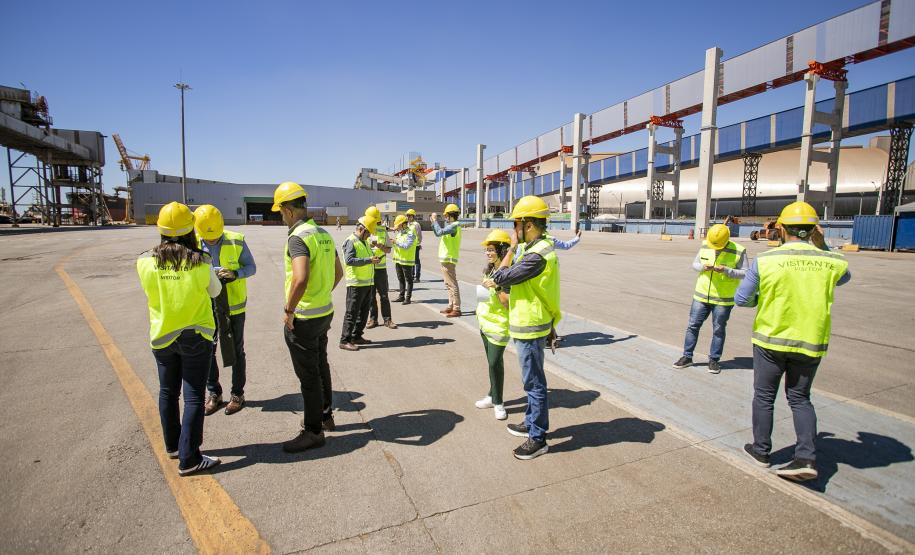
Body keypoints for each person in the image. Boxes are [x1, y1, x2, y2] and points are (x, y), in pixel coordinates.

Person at [736, 201, 850, 482]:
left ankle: (761, 451)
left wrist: (763, 299)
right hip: (811, 341)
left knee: (764, 396)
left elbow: (742, 299)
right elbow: (845, 277)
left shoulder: (766, 261)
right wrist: (822, 246)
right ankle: (806, 457)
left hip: (771, 338)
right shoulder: (831, 261)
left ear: (781, 229)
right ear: (814, 230)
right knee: (800, 398)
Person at [137, 201, 222, 476]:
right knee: (194, 396)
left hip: (162, 336)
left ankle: (173, 446)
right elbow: (215, 291)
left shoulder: (144, 261)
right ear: (190, 231)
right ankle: (190, 458)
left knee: (167, 392)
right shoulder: (200, 262)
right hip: (196, 335)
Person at [274, 181, 345, 453]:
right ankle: (326, 416)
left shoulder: (298, 237)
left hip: (303, 318)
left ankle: (313, 431)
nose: (281, 217)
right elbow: (338, 274)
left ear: (289, 210)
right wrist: (321, 293)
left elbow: (300, 277)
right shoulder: (324, 234)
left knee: (309, 377)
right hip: (324, 312)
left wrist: (289, 311)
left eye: (281, 212)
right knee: (321, 364)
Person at [488, 196, 560, 460]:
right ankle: (531, 423)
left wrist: (509, 249)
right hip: (531, 322)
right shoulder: (537, 248)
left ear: (528, 224)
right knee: (532, 380)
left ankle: (538, 438)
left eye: (516, 224)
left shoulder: (536, 256)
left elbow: (500, 277)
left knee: (534, 383)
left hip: (531, 325)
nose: (513, 230)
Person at [192, 205, 257, 416]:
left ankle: (237, 394)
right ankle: (214, 393)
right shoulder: (193, 242)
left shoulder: (236, 239)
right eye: (207, 239)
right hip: (206, 307)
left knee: (236, 350)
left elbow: (251, 267)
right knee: (208, 351)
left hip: (234, 307)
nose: (210, 241)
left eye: (215, 237)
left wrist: (235, 273)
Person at [672, 224, 748, 374]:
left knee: (718, 329)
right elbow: (695, 264)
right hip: (701, 295)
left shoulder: (739, 250)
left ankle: (714, 360)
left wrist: (727, 270)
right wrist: (702, 267)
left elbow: (746, 272)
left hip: (723, 299)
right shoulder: (706, 245)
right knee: (693, 326)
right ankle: (687, 356)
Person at [475, 230, 512, 421]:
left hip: (499, 325)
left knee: (494, 363)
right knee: (491, 364)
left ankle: (499, 402)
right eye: (487, 250)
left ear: (502, 249)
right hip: (485, 322)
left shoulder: (508, 273)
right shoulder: (490, 269)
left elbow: (507, 302)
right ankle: (491, 395)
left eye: (491, 249)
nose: (488, 253)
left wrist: (496, 287)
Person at [339, 216, 380, 351]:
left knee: (363, 314)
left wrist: (373, 258)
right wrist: (369, 260)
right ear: (362, 230)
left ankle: (356, 336)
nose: (368, 236)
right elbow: (350, 260)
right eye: (368, 233)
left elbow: (365, 258)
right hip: (355, 284)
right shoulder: (350, 241)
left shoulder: (364, 242)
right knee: (352, 313)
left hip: (367, 284)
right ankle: (345, 340)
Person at [364, 206, 397, 330]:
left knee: (384, 295)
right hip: (369, 268)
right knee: (371, 296)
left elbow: (388, 250)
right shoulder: (365, 231)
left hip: (381, 269)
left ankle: (387, 319)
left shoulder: (383, 231)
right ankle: (373, 319)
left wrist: (379, 245)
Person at [431, 203, 463, 317]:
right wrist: (433, 223)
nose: (445, 218)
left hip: (449, 258)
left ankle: (457, 308)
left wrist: (435, 220)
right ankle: (451, 306)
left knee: (452, 284)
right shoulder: (452, 225)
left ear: (450, 215)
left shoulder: (455, 225)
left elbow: (439, 232)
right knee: (448, 284)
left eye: (446, 216)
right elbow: (437, 233)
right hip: (445, 258)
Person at [391, 214, 417, 305]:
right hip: (398, 260)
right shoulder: (400, 233)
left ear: (403, 224)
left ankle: (408, 298)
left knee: (408, 280)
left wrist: (395, 242)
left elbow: (406, 246)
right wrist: (392, 243)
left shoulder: (411, 233)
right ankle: (401, 296)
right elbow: (397, 245)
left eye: (398, 225)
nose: (397, 228)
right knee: (400, 278)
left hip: (406, 260)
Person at [406, 208, 423, 282]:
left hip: (415, 246)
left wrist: (418, 244)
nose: (408, 217)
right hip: (409, 245)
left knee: (416, 261)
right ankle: (412, 276)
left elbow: (419, 235)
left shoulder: (416, 224)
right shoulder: (407, 224)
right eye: (407, 216)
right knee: (411, 261)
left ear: (413, 216)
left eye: (410, 216)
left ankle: (417, 277)